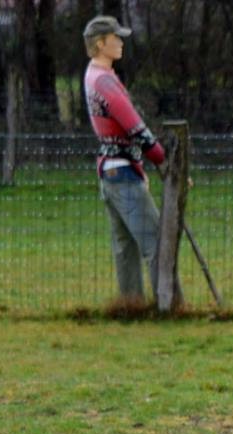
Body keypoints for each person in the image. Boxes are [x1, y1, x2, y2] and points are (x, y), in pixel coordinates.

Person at [82, 15, 167, 301]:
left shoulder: (93, 74)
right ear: (100, 43)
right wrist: (161, 159)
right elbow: (135, 126)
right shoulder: (104, 81)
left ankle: (131, 304)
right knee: (156, 242)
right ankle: (168, 303)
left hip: (110, 171)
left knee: (125, 245)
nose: (120, 42)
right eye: (115, 37)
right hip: (123, 172)